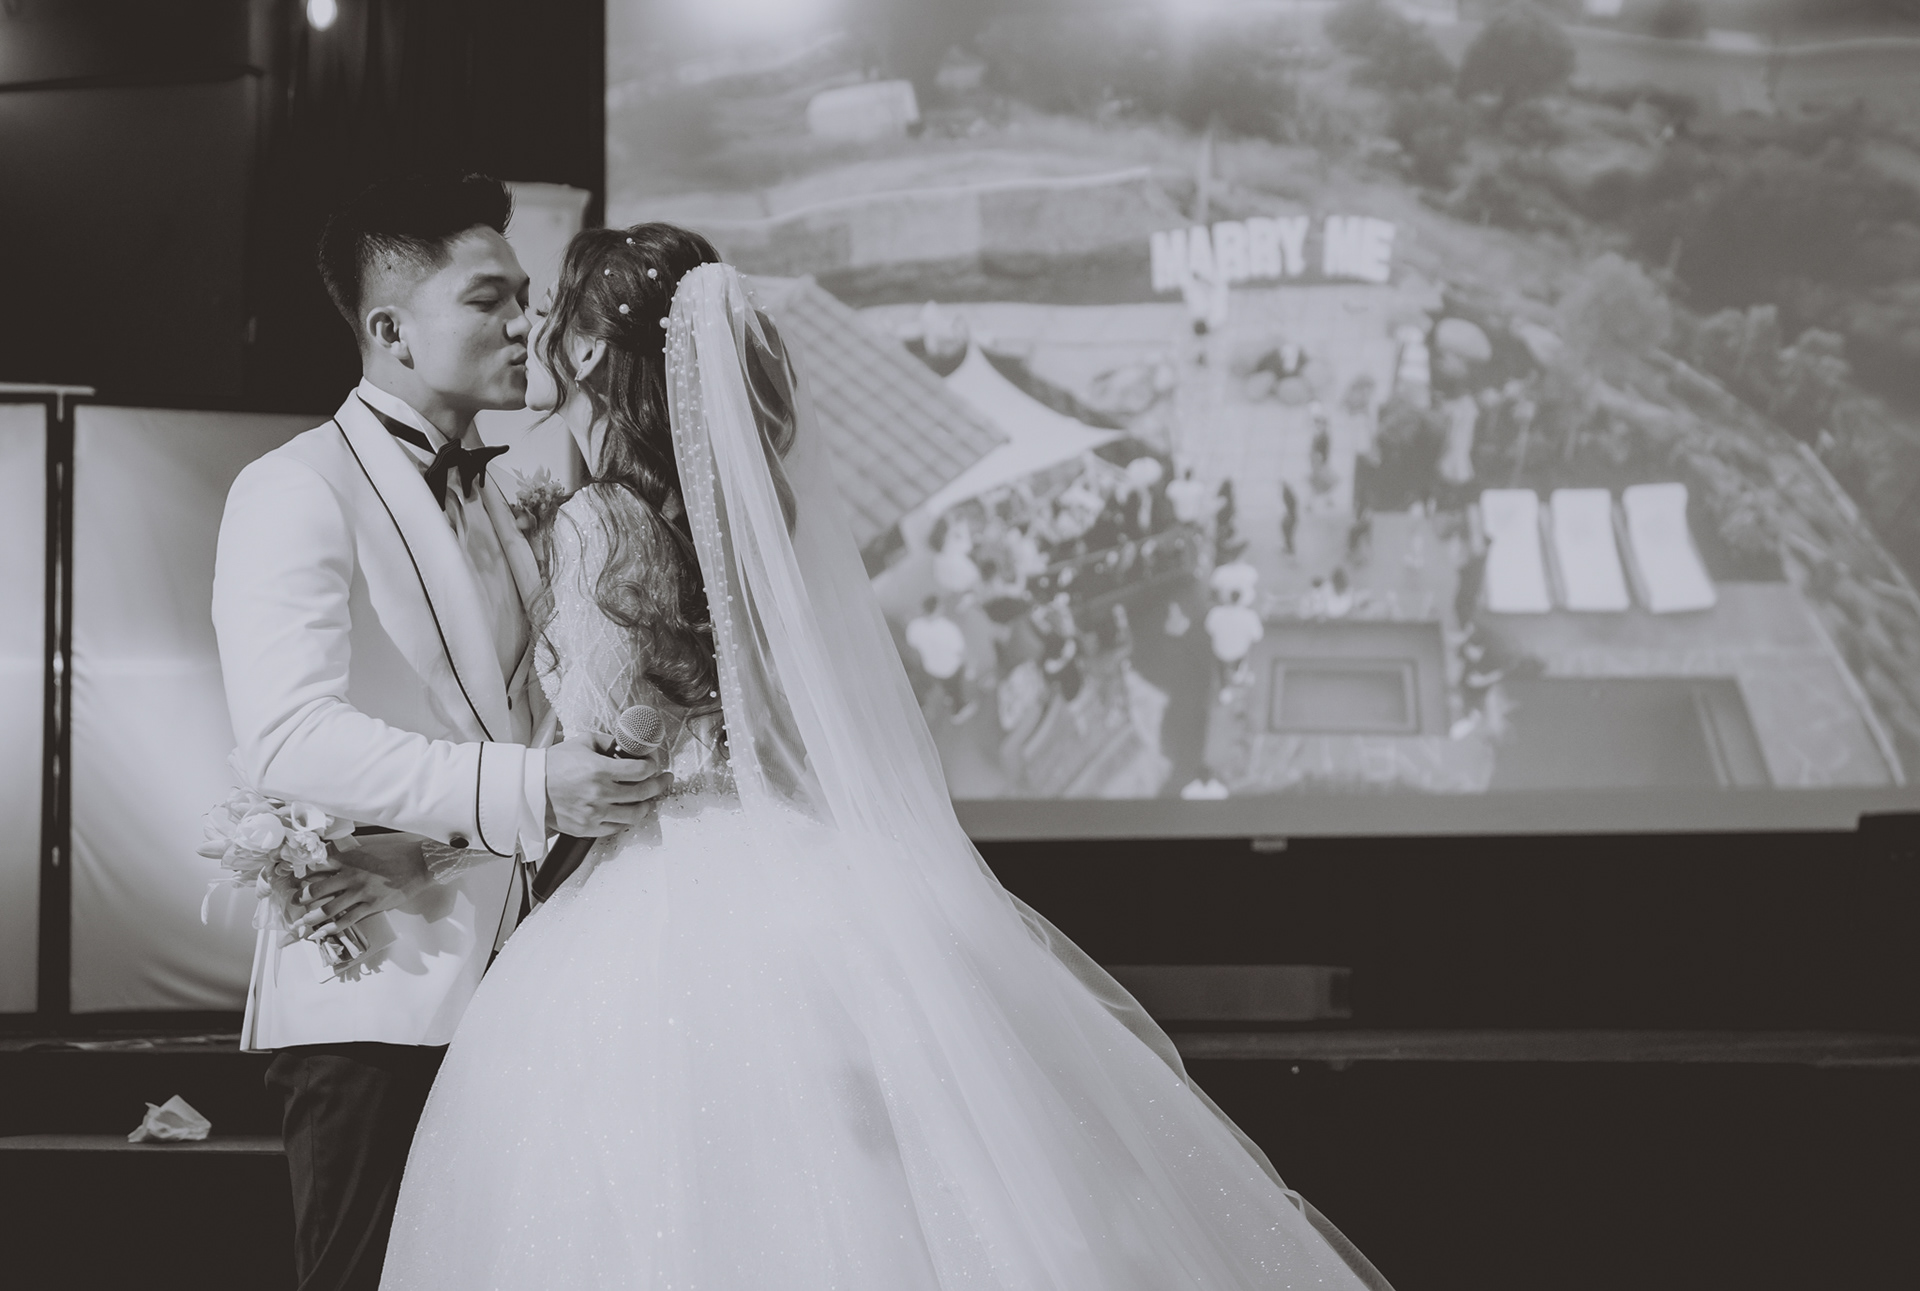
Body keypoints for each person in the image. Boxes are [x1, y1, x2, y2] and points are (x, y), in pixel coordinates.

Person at [380, 228, 1393, 1290]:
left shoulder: (596, 520)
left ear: (590, 352)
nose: (537, 328)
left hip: (662, 879)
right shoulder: (751, 509)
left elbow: (599, 747)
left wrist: (438, 842)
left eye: (555, 311)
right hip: (794, 858)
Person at [210, 173, 671, 1291]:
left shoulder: (507, 497)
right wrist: (530, 788)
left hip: (524, 987)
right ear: (390, 330)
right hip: (379, 997)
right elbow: (289, 735)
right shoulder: (294, 488)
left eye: (525, 296)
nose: (526, 324)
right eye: (487, 299)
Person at [906, 594, 976, 723]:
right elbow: (960, 651)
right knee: (956, 688)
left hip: (931, 667)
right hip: (950, 667)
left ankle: (949, 696)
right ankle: (959, 710)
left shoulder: (914, 627)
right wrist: (969, 666)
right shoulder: (948, 628)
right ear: (937, 608)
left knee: (946, 684)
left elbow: (913, 645)